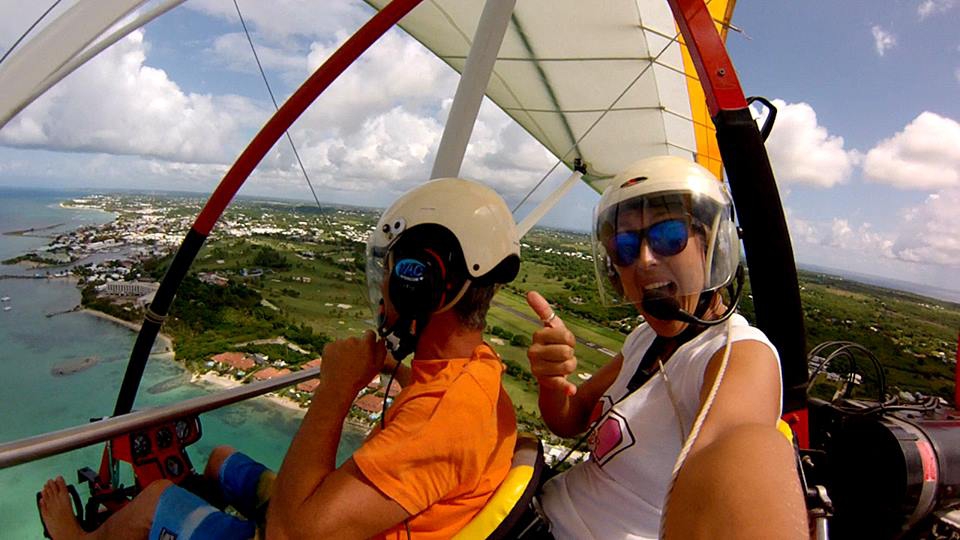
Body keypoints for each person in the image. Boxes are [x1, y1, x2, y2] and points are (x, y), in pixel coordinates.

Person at [38, 177, 522, 539]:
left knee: (157, 497)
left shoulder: (440, 418)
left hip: (299, 531)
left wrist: (336, 387)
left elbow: (290, 532)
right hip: (352, 514)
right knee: (220, 459)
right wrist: (389, 366)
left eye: (393, 274)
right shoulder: (477, 372)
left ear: (420, 284)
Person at [524, 155, 807, 539]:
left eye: (668, 237)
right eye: (624, 247)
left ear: (710, 248)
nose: (643, 259)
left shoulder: (739, 355)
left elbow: (737, 449)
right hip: (541, 512)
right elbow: (569, 419)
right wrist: (551, 381)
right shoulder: (645, 338)